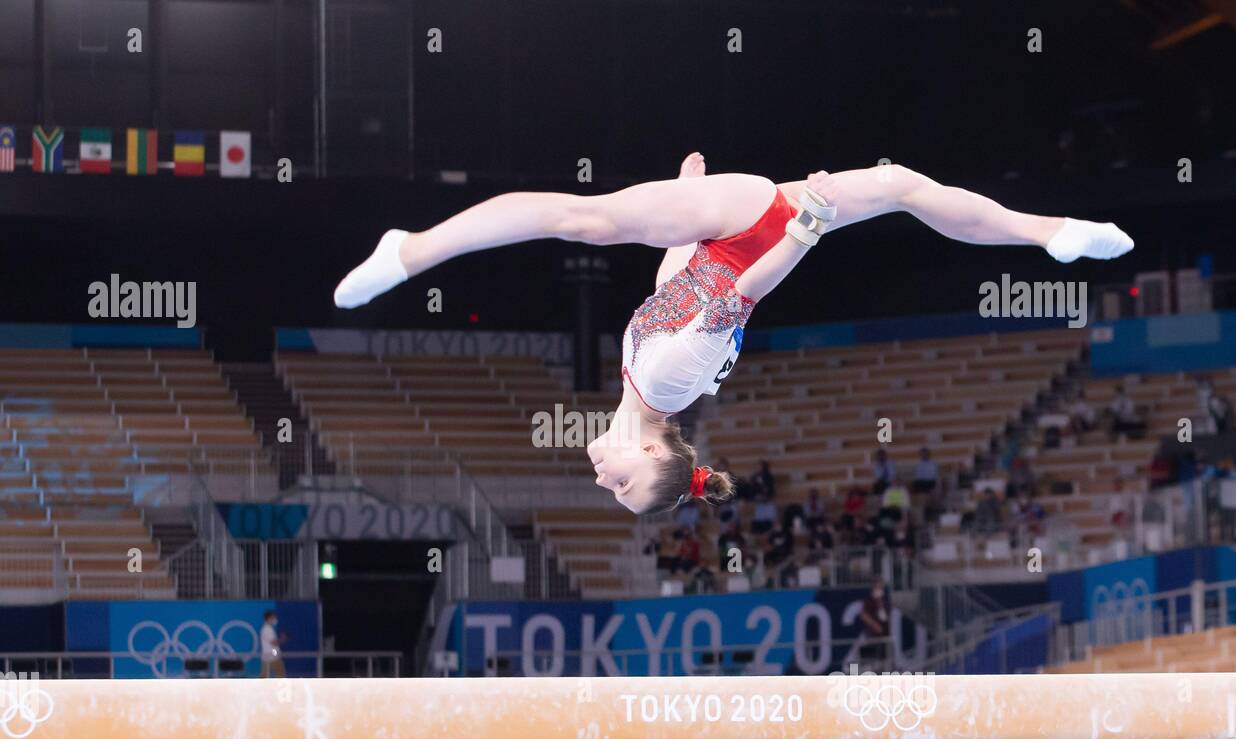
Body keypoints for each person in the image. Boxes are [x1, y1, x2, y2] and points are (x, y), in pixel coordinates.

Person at [335, 152, 1133, 515]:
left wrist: (681, 209)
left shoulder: (640, 387)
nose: (600, 477)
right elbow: (739, 296)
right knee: (589, 218)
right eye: (620, 484)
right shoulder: (671, 388)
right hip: (752, 232)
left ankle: (1054, 231)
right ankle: (411, 250)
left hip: (724, 227)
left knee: (903, 187)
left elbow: (674, 290)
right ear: (653, 455)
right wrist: (805, 232)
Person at [260, 609, 288, 679]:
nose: (275, 619)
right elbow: (274, 643)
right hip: (272, 653)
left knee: (264, 676)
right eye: (274, 618)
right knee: (280, 674)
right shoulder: (267, 629)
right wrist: (283, 639)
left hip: (269, 654)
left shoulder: (268, 628)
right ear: (269, 618)